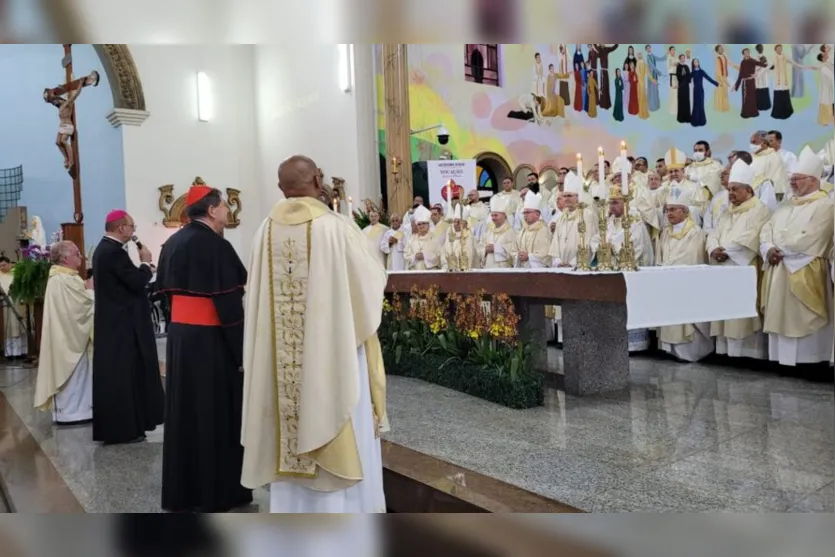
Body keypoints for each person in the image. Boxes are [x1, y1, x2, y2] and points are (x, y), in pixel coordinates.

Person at [242, 154, 389, 513]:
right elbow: (371, 284)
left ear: (281, 188)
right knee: (337, 409)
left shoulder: (264, 231)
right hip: (334, 355)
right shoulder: (336, 227)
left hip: (281, 366)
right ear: (318, 179)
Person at [156, 185, 252, 512]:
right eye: (224, 206)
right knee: (215, 414)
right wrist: (241, 353)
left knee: (185, 414)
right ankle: (218, 492)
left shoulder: (173, 242)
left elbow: (167, 297)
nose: (227, 211)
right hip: (211, 341)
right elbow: (228, 306)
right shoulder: (215, 246)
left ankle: (184, 492)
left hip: (181, 339)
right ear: (211, 211)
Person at [92, 210, 163, 444]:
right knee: (124, 378)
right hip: (122, 327)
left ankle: (129, 427)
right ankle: (124, 429)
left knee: (125, 377)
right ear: (121, 227)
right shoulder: (112, 253)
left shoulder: (106, 250)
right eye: (132, 226)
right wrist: (145, 263)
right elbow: (135, 282)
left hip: (116, 325)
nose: (134, 231)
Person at [760, 146, 835, 366]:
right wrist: (768, 248)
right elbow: (767, 228)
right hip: (779, 268)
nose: (792, 183)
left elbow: (815, 237)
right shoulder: (785, 205)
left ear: (813, 180)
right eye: (791, 179)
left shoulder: (826, 205)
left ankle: (810, 361)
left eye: (798, 179)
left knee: (802, 316)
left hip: (805, 268)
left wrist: (781, 251)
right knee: (780, 317)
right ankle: (781, 362)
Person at [706, 160, 772, 360]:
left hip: (743, 268)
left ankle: (748, 354)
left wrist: (727, 252)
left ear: (748, 190)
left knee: (741, 314)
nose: (731, 193)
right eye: (729, 190)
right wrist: (713, 248)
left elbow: (752, 235)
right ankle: (725, 352)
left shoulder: (759, 209)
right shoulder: (727, 211)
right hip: (723, 268)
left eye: (735, 189)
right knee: (724, 311)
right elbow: (713, 233)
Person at [34, 241, 94, 424]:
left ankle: (76, 410)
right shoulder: (63, 280)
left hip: (66, 337)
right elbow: (80, 309)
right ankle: (73, 413)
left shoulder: (63, 278)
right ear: (66, 258)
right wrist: (91, 292)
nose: (81, 257)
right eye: (77, 253)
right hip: (69, 340)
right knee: (74, 374)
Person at [657, 187, 712, 362]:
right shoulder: (665, 232)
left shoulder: (695, 232)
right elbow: (660, 255)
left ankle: (691, 353)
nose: (669, 213)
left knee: (686, 317)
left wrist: (670, 267)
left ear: (685, 211)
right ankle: (672, 351)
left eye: (673, 209)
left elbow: (693, 256)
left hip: (686, 281)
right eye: (667, 210)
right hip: (668, 280)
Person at [514, 192, 552, 268]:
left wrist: (529, 257)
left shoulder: (544, 231)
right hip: (522, 270)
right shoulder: (522, 231)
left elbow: (547, 255)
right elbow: (513, 250)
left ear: (537, 214)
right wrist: (518, 255)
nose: (525, 215)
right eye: (524, 213)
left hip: (538, 273)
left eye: (528, 212)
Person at [479, 196, 517, 269]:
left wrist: (496, 248)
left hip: (503, 268)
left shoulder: (510, 231)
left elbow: (514, 251)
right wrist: (485, 250)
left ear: (504, 216)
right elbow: (480, 247)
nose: (493, 218)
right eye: (492, 215)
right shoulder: (489, 231)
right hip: (488, 267)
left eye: (496, 215)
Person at [0, 256, 27, 359]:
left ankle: (22, 351)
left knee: (19, 328)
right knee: (9, 330)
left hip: (17, 303)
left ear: (10, 264)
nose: (2, 268)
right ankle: (10, 353)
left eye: (4, 265)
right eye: (0, 266)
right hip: (5, 305)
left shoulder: (17, 274)